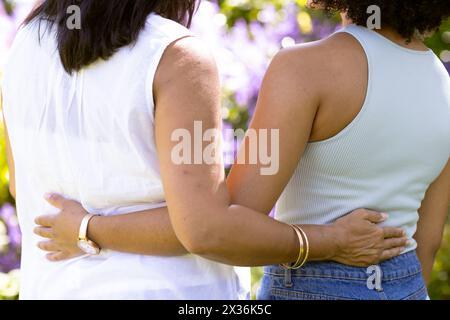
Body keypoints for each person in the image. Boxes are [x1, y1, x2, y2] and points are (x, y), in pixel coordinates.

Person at [2, 0, 409, 300]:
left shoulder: (24, 43)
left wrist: (86, 227)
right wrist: (331, 241)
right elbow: (204, 228)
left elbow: (28, 191)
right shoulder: (175, 55)